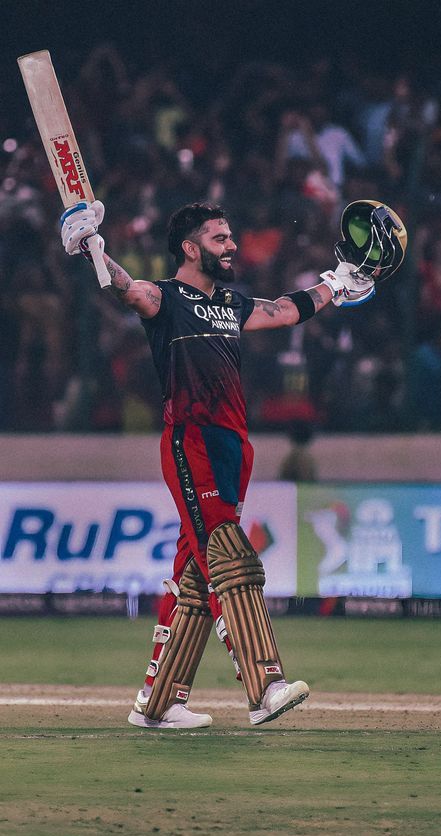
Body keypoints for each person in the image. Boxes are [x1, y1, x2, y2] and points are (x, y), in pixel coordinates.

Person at [60, 199, 379, 730]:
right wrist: (94, 248)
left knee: (192, 575)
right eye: (219, 239)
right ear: (190, 248)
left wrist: (338, 282)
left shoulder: (230, 301)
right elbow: (127, 288)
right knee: (230, 554)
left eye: (230, 237)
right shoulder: (165, 299)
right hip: (194, 440)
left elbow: (284, 309)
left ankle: (159, 704)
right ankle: (264, 685)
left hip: (234, 446)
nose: (232, 246)